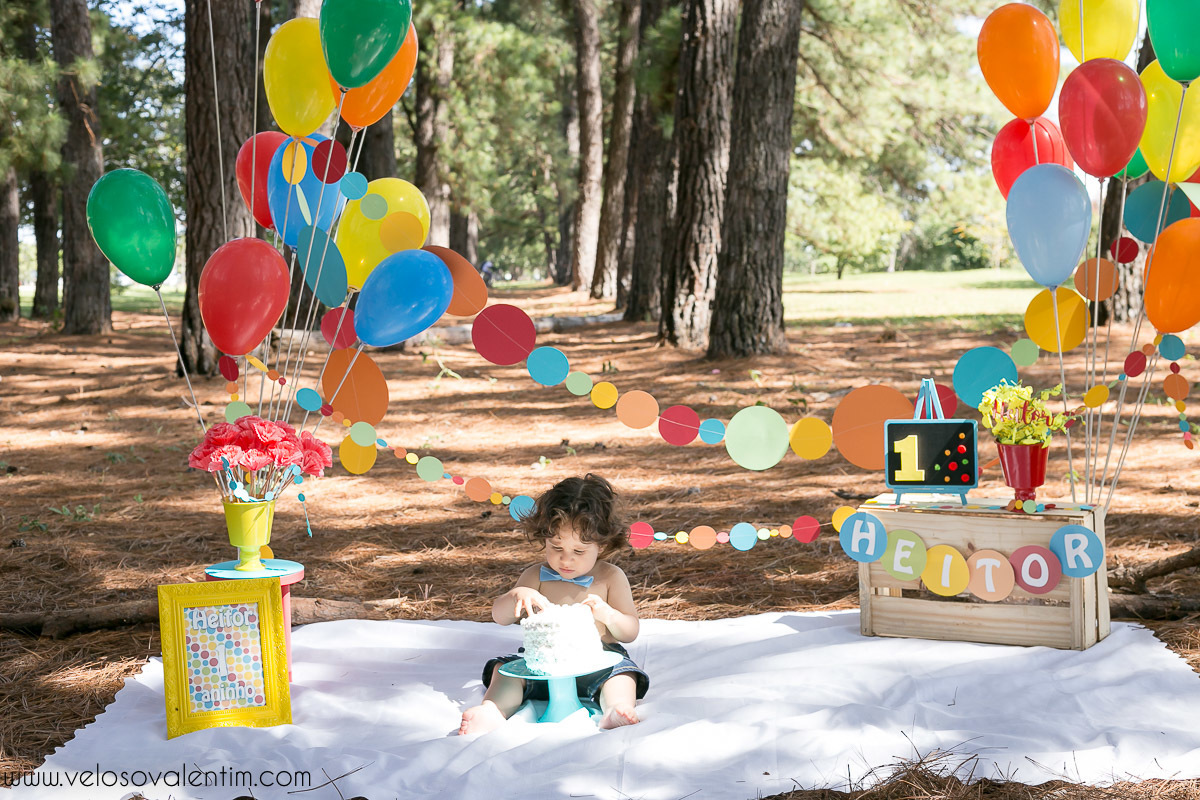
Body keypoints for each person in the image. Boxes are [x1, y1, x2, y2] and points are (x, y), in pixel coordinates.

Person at [458, 474, 648, 734]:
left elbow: (630, 631)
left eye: (579, 552)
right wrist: (516, 595)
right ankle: (493, 710)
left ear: (601, 545)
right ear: (544, 538)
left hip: (597, 664)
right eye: (556, 546)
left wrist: (610, 615)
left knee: (623, 675)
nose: (565, 560)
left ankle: (614, 709)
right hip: (541, 666)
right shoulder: (535, 576)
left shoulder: (610, 577)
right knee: (504, 671)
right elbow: (499, 617)